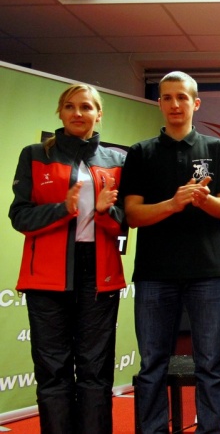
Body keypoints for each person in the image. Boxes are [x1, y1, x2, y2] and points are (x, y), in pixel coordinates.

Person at [120, 71, 220, 433]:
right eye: (168, 97)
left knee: (210, 363)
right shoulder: (141, 153)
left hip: (207, 273)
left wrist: (204, 201)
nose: (175, 104)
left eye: (182, 97)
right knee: (152, 364)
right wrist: (173, 204)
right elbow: (133, 215)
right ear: (159, 103)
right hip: (154, 273)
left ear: (195, 103)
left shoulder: (215, 149)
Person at [9, 83, 126, 434]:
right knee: (53, 371)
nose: (78, 113)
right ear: (60, 112)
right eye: (71, 106)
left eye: (87, 107)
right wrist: (64, 208)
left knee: (95, 371)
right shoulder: (35, 155)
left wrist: (103, 211)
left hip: (98, 276)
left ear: (98, 114)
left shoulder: (117, 161)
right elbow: (20, 216)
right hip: (47, 278)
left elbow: (125, 222)